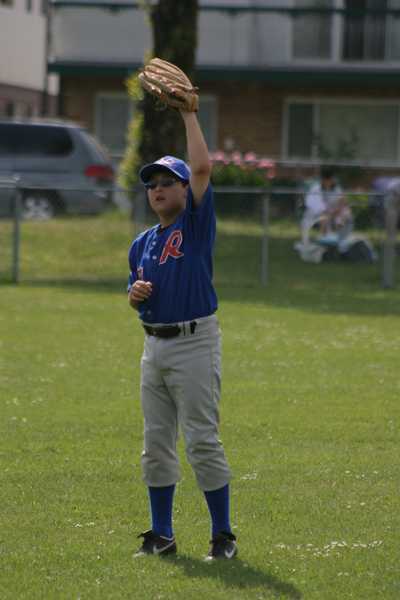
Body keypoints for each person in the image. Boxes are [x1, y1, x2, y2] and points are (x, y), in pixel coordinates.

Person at [127, 108, 237, 560]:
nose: (157, 189)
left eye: (167, 182)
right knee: (155, 445)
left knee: (202, 441)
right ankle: (162, 535)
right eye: (151, 184)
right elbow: (137, 297)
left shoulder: (194, 224)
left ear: (185, 189)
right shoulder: (141, 243)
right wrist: (134, 295)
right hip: (153, 346)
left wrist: (189, 114)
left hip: (194, 343)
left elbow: (203, 168)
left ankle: (223, 537)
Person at [301, 167, 353, 245]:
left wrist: (338, 209)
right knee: (323, 218)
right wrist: (326, 212)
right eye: (327, 180)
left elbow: (343, 201)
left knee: (345, 215)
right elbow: (313, 204)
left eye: (331, 180)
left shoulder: (336, 188)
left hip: (334, 212)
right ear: (323, 180)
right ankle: (322, 239)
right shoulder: (316, 189)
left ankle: (340, 239)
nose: (330, 182)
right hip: (318, 213)